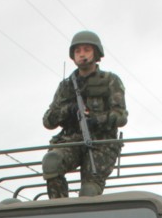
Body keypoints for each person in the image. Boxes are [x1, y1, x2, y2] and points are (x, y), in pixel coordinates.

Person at [42, 30, 127, 199]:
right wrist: (70, 110)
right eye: (77, 51)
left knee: (89, 191)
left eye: (87, 50)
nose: (82, 55)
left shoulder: (110, 81)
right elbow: (48, 121)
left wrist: (95, 120)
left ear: (96, 53)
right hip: (71, 140)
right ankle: (60, 212)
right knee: (51, 162)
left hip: (101, 143)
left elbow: (121, 116)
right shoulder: (66, 87)